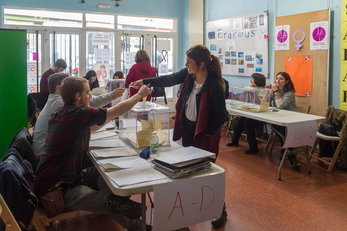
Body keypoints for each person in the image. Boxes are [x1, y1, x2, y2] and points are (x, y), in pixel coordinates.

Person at [33, 77, 151, 231]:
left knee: (105, 172)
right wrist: (139, 95)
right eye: (88, 92)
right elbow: (117, 110)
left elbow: (90, 128)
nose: (90, 96)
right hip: (57, 190)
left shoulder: (62, 112)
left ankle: (116, 200)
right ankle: (137, 226)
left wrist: (107, 118)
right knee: (110, 204)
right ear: (77, 96)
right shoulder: (77, 113)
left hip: (61, 178)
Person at [130, 44, 229, 228]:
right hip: (189, 130)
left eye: (189, 62)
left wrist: (208, 131)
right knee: (190, 170)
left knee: (209, 173)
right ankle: (193, 205)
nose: (186, 64)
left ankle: (220, 209)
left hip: (205, 134)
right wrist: (144, 81)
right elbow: (167, 79)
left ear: (201, 64)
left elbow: (222, 115)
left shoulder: (215, 85)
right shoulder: (188, 75)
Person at [32, 73, 124, 159]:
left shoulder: (53, 100)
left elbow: (90, 129)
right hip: (46, 156)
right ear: (59, 88)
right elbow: (90, 103)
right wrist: (112, 95)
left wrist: (109, 116)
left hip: (44, 153)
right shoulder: (61, 103)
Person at [265, 71, 301, 170]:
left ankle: (287, 153)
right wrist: (267, 90)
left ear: (287, 81)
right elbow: (265, 102)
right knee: (277, 126)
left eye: (281, 79)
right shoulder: (274, 90)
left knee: (281, 129)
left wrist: (276, 91)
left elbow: (280, 106)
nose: (278, 81)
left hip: (291, 117)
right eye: (277, 78)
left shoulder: (289, 93)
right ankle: (289, 154)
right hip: (279, 116)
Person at [226, 73, 266, 154]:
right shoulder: (251, 88)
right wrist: (246, 91)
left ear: (257, 80)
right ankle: (234, 140)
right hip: (252, 112)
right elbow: (241, 98)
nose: (250, 80)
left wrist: (252, 93)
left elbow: (261, 104)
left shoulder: (264, 91)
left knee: (247, 123)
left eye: (252, 79)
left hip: (261, 115)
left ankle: (253, 147)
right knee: (240, 120)